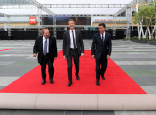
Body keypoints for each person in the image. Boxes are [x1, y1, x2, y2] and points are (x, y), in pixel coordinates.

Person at [63, 19, 84, 86]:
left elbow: (81, 43)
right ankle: (70, 80)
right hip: (69, 51)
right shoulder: (65, 33)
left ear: (74, 24)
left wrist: (82, 51)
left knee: (77, 65)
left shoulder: (78, 33)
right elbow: (64, 44)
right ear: (68, 25)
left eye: (72, 23)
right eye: (70, 23)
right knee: (69, 66)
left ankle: (77, 74)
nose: (71, 24)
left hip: (76, 51)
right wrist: (64, 54)